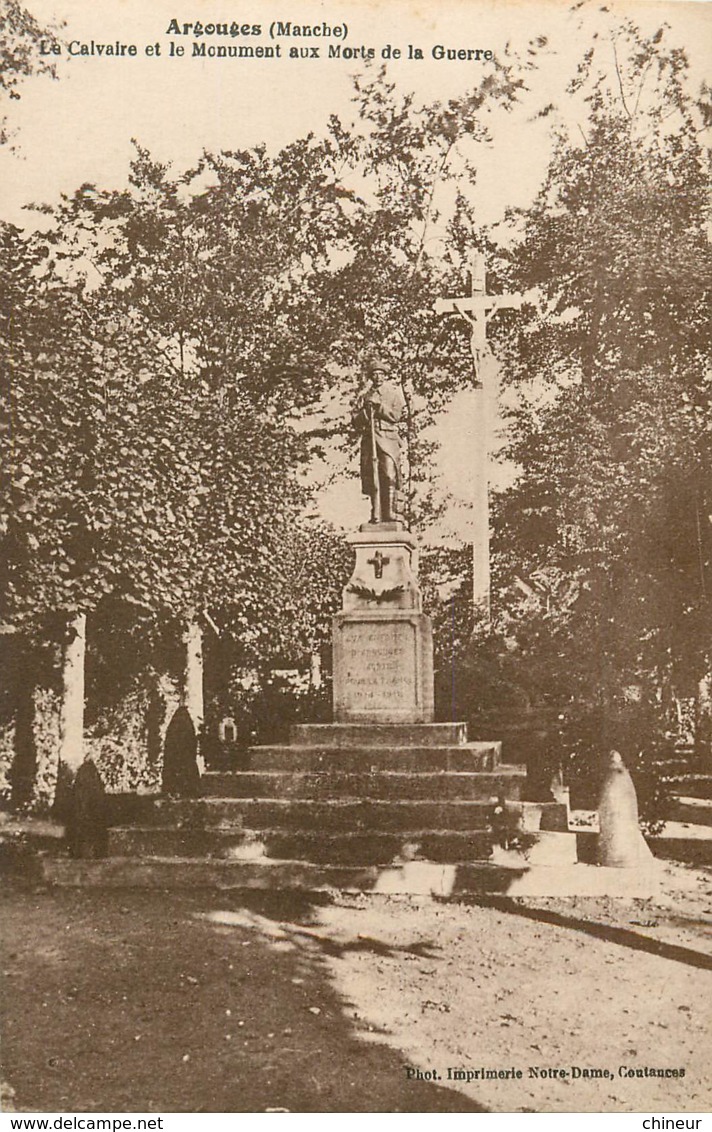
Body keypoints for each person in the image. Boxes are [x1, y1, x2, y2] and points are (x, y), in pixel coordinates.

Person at [353, 358, 405, 523]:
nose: (378, 377)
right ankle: (376, 513)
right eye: (374, 374)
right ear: (370, 377)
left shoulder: (393, 395)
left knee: (389, 475)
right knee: (372, 476)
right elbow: (355, 420)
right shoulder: (363, 396)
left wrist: (379, 406)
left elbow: (396, 416)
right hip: (370, 440)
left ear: (385, 376)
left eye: (381, 374)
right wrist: (366, 412)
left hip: (388, 439)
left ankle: (389, 512)